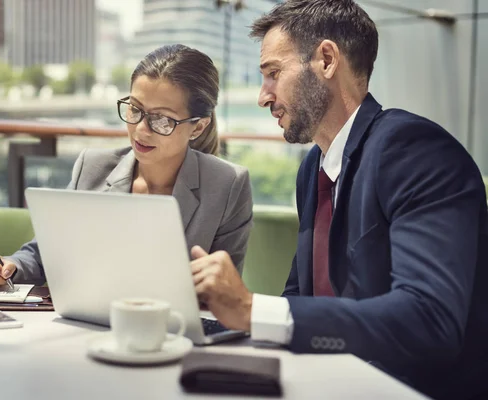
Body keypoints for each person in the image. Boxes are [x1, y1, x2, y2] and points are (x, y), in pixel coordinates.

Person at [190, 1, 488, 399]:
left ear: (327, 60)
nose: (264, 96)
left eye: (273, 74)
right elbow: (300, 295)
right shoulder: (313, 167)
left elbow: (429, 321)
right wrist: (229, 324)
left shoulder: (416, 151)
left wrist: (252, 311)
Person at [0, 44, 253, 291]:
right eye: (135, 109)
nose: (141, 130)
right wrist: (8, 267)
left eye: (162, 120)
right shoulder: (92, 168)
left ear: (198, 127)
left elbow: (223, 289)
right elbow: (44, 253)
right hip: (86, 325)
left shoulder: (228, 185)